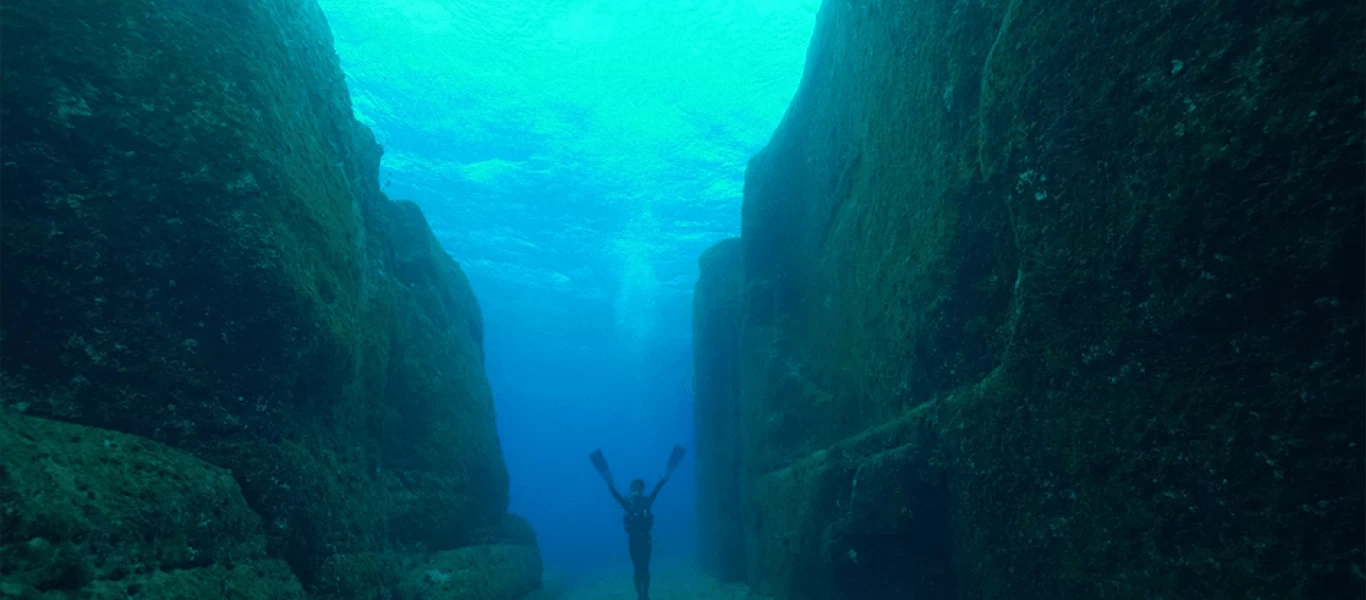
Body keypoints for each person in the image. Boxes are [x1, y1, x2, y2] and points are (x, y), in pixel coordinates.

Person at [589, 446, 686, 600]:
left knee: (644, 568)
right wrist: (609, 484)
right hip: (636, 540)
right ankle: (641, 594)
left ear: (641, 489)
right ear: (633, 489)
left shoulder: (642, 502)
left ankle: (645, 594)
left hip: (643, 540)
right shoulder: (631, 504)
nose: (637, 489)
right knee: (638, 568)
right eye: (635, 487)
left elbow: (657, 489)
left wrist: (664, 479)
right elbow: (615, 493)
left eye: (639, 487)